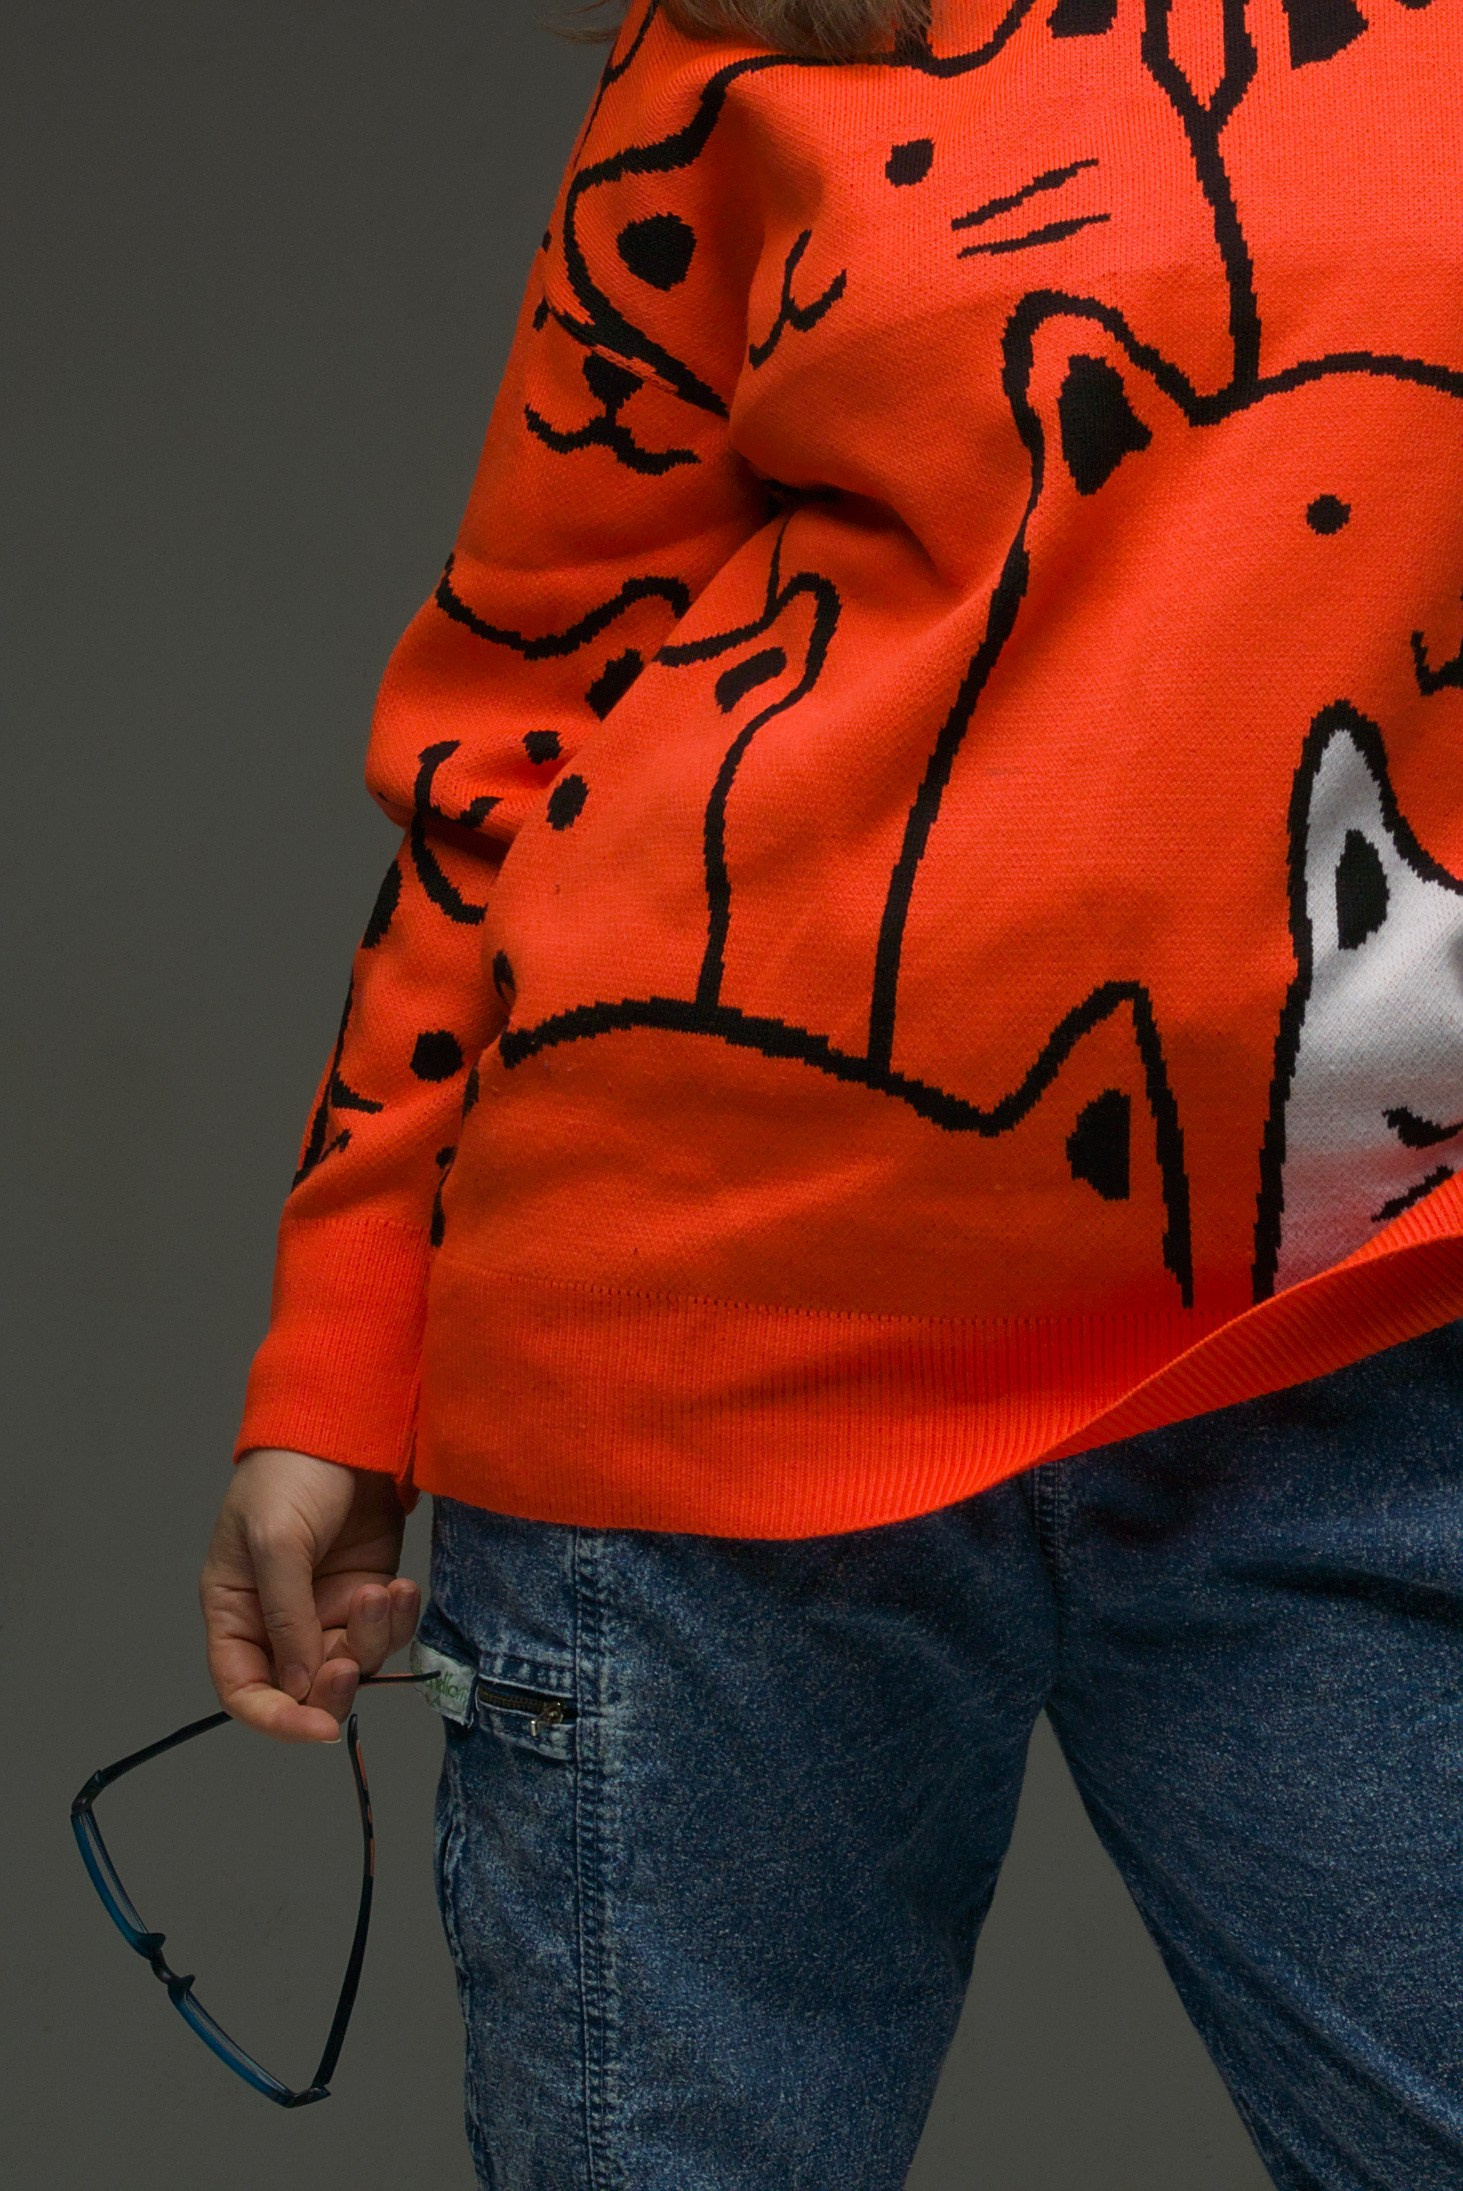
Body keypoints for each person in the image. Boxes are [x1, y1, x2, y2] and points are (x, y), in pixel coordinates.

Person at [199, 0, 1463, 2183]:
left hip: (1372, 1327)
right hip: (699, 1343)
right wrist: (342, 1355)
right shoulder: (742, 37)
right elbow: (527, 705)